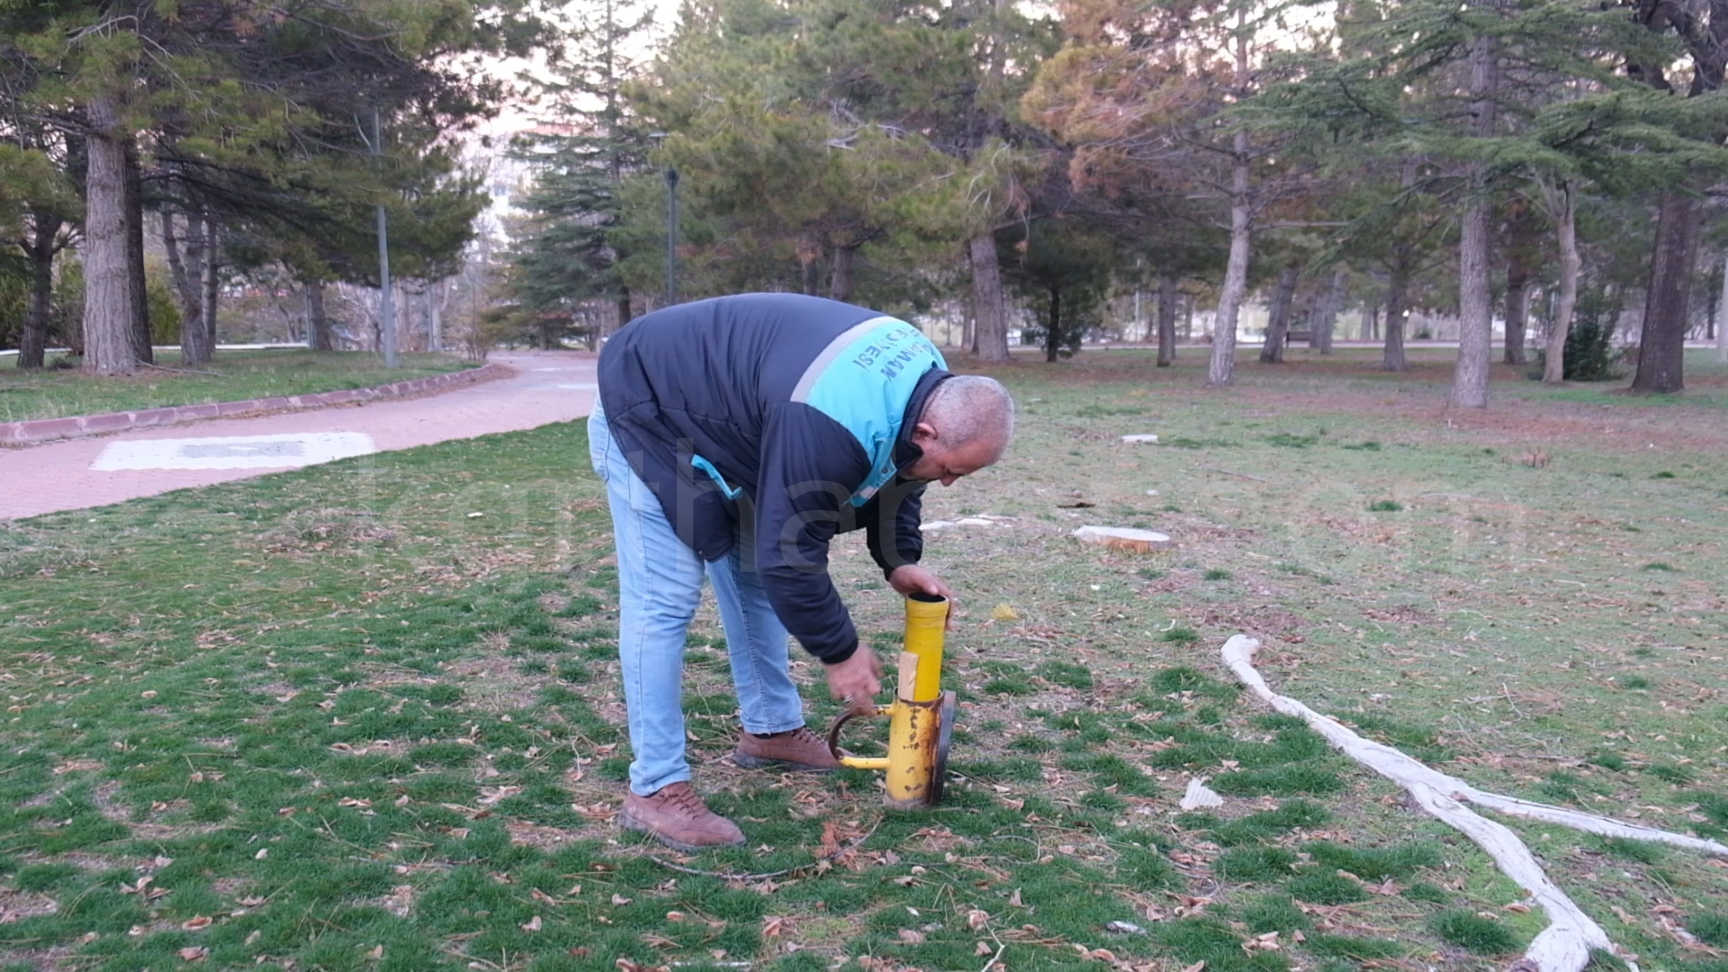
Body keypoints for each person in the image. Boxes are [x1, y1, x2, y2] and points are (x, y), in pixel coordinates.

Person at [587, 293, 1015, 852]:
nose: (950, 483)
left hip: (739, 425)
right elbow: (790, 552)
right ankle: (655, 790)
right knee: (664, 601)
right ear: (931, 433)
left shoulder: (925, 390)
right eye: (952, 470)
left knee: (752, 580)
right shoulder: (831, 419)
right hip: (651, 410)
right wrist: (840, 651)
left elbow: (901, 471)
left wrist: (900, 559)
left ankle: (770, 730)